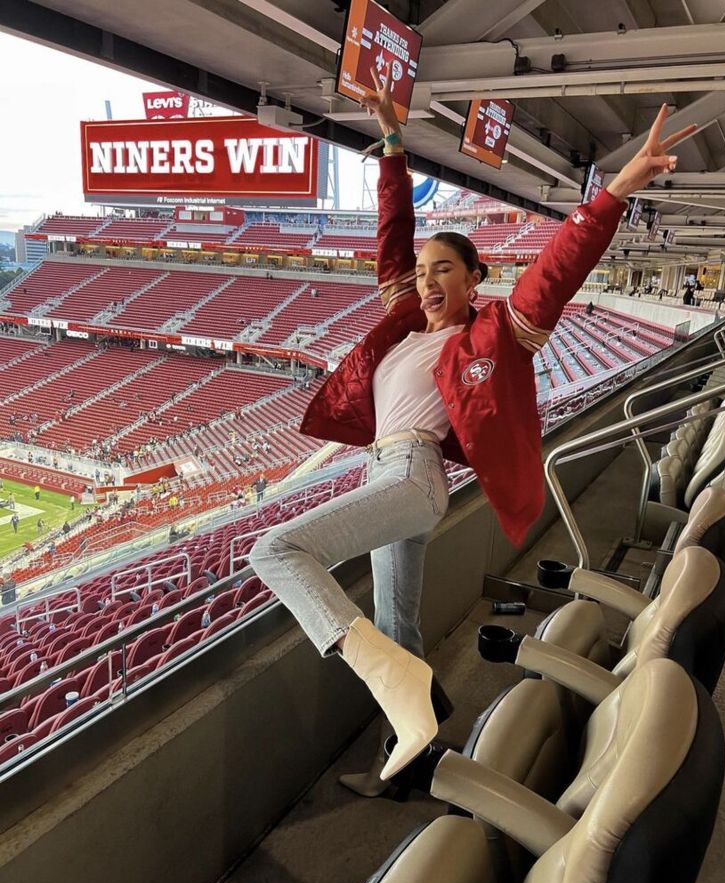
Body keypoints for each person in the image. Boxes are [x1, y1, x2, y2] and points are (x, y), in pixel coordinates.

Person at [249, 69, 695, 790]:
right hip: (382, 474)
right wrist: (392, 140)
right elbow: (394, 230)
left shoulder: (496, 334)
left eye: (444, 269)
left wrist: (615, 192)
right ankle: (416, 754)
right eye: (422, 269)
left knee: (276, 548)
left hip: (413, 480)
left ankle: (398, 690)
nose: (425, 279)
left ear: (473, 279)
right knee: (397, 625)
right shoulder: (402, 323)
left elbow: (555, 271)